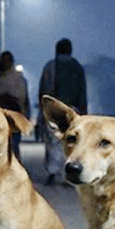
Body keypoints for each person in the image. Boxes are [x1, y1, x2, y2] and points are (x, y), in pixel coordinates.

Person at [37, 38, 87, 185]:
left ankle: (52, 173)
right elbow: (82, 92)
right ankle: (68, 175)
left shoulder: (50, 66)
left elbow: (43, 91)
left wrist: (43, 110)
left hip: (54, 112)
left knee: (53, 144)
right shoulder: (77, 67)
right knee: (71, 143)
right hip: (73, 112)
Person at [0, 50, 31, 160]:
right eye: (3, 60)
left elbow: (24, 100)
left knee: (13, 147)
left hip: (13, 120)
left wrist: (24, 119)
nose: (4, 63)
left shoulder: (19, 80)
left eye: (7, 61)